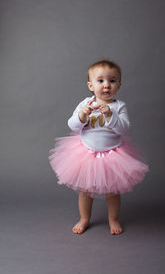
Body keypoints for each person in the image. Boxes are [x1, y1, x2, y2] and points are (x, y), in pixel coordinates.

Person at [48, 60, 149, 235]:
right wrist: (81, 116)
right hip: (86, 153)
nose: (106, 85)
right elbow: (73, 126)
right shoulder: (85, 104)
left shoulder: (119, 106)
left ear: (119, 85)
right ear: (90, 85)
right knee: (85, 191)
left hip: (112, 155)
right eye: (100, 81)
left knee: (113, 191)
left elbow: (124, 128)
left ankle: (113, 219)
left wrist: (111, 115)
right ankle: (84, 218)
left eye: (112, 80)